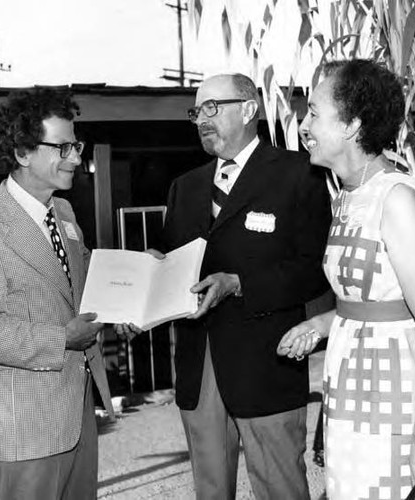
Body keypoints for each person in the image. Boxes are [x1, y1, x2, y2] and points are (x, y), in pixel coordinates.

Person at [277, 59, 415, 500]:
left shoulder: (396, 200)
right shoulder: (349, 196)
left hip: (395, 404)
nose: (304, 124)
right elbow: (376, 301)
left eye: (314, 112)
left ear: (352, 124)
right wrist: (320, 325)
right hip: (350, 397)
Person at [160, 73, 332, 499]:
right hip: (199, 373)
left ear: (249, 109)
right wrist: (152, 275)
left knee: (280, 489)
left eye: (211, 108)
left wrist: (240, 284)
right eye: (196, 111)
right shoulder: (184, 189)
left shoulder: (298, 175)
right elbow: (172, 267)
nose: (201, 119)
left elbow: (316, 269)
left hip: (267, 369)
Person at [0, 88, 115, 500]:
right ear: (24, 152)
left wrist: (139, 278)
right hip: (27, 430)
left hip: (78, 415)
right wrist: (61, 339)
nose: (76, 157)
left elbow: (82, 283)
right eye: (63, 146)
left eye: (76, 145)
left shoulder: (64, 214)